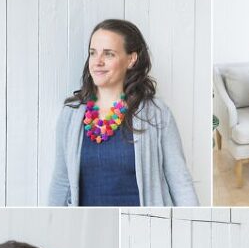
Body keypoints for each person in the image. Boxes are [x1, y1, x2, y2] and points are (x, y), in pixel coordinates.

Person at [48, 19, 199, 207]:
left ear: (131, 59)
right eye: (93, 53)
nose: (98, 62)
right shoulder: (71, 114)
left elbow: (180, 181)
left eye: (109, 54)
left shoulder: (156, 114)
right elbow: (61, 182)